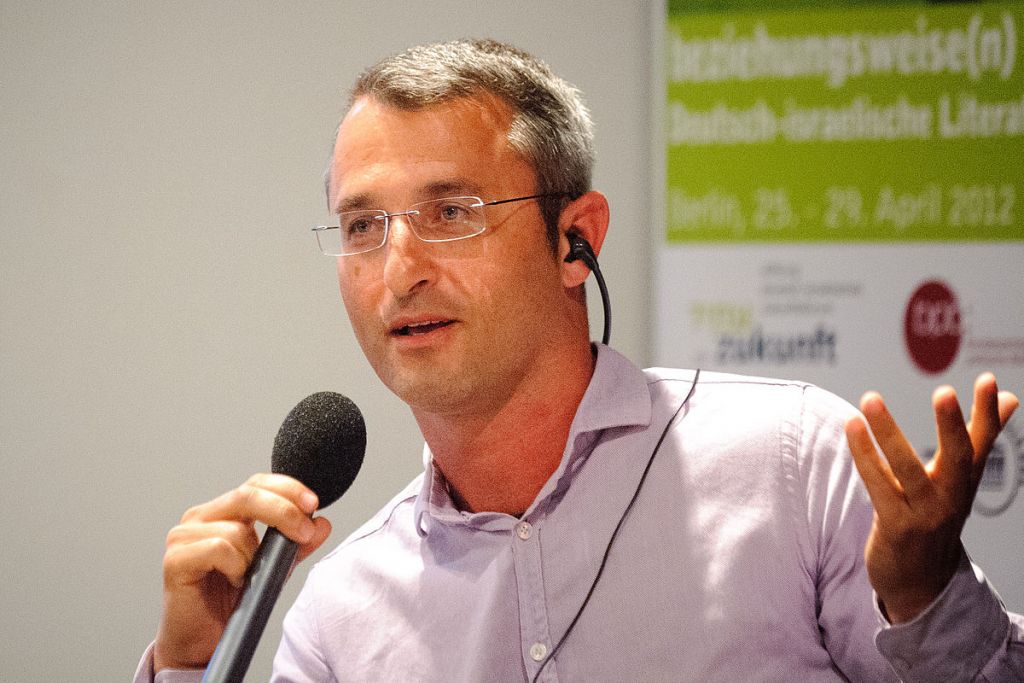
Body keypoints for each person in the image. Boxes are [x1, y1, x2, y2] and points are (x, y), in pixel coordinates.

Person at [134, 39, 1023, 682]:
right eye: (363, 225)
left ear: (575, 241)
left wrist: (926, 602)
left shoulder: (794, 467)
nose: (399, 271)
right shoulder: (339, 619)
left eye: (451, 213)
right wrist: (189, 663)